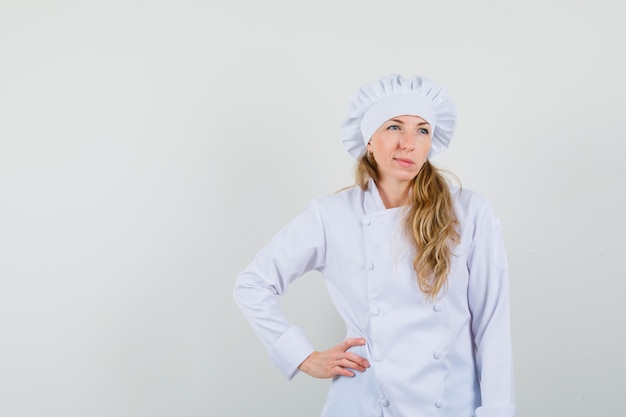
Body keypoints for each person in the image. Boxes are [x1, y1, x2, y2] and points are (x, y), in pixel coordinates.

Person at [233, 74, 516, 417]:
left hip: (452, 405)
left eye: (422, 130)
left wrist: (498, 411)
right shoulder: (331, 215)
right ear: (369, 141)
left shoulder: (469, 212)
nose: (408, 143)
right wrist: (303, 357)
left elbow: (492, 325)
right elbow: (253, 284)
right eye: (394, 127)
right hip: (363, 404)